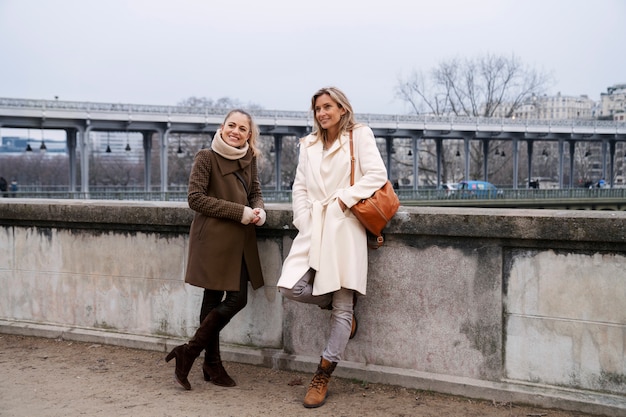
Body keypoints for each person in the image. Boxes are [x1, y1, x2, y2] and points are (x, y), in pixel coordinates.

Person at [277, 87, 388, 408]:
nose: (322, 113)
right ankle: (340, 315)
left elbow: (377, 175)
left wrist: (342, 200)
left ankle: (323, 372)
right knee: (291, 287)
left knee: (343, 304)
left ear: (342, 108)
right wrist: (302, 218)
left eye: (328, 107)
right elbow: (299, 185)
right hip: (313, 226)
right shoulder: (308, 144)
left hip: (343, 226)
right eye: (317, 108)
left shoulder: (359, 135)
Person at [165, 109, 266, 390]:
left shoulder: (250, 158)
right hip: (213, 238)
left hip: (239, 239)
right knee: (219, 299)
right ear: (222, 127)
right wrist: (240, 212)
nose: (235, 131)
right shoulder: (205, 157)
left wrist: (259, 209)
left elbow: (255, 190)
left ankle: (197, 356)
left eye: (242, 128)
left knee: (231, 299)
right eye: (231, 125)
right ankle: (208, 361)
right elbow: (195, 199)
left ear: (249, 134)